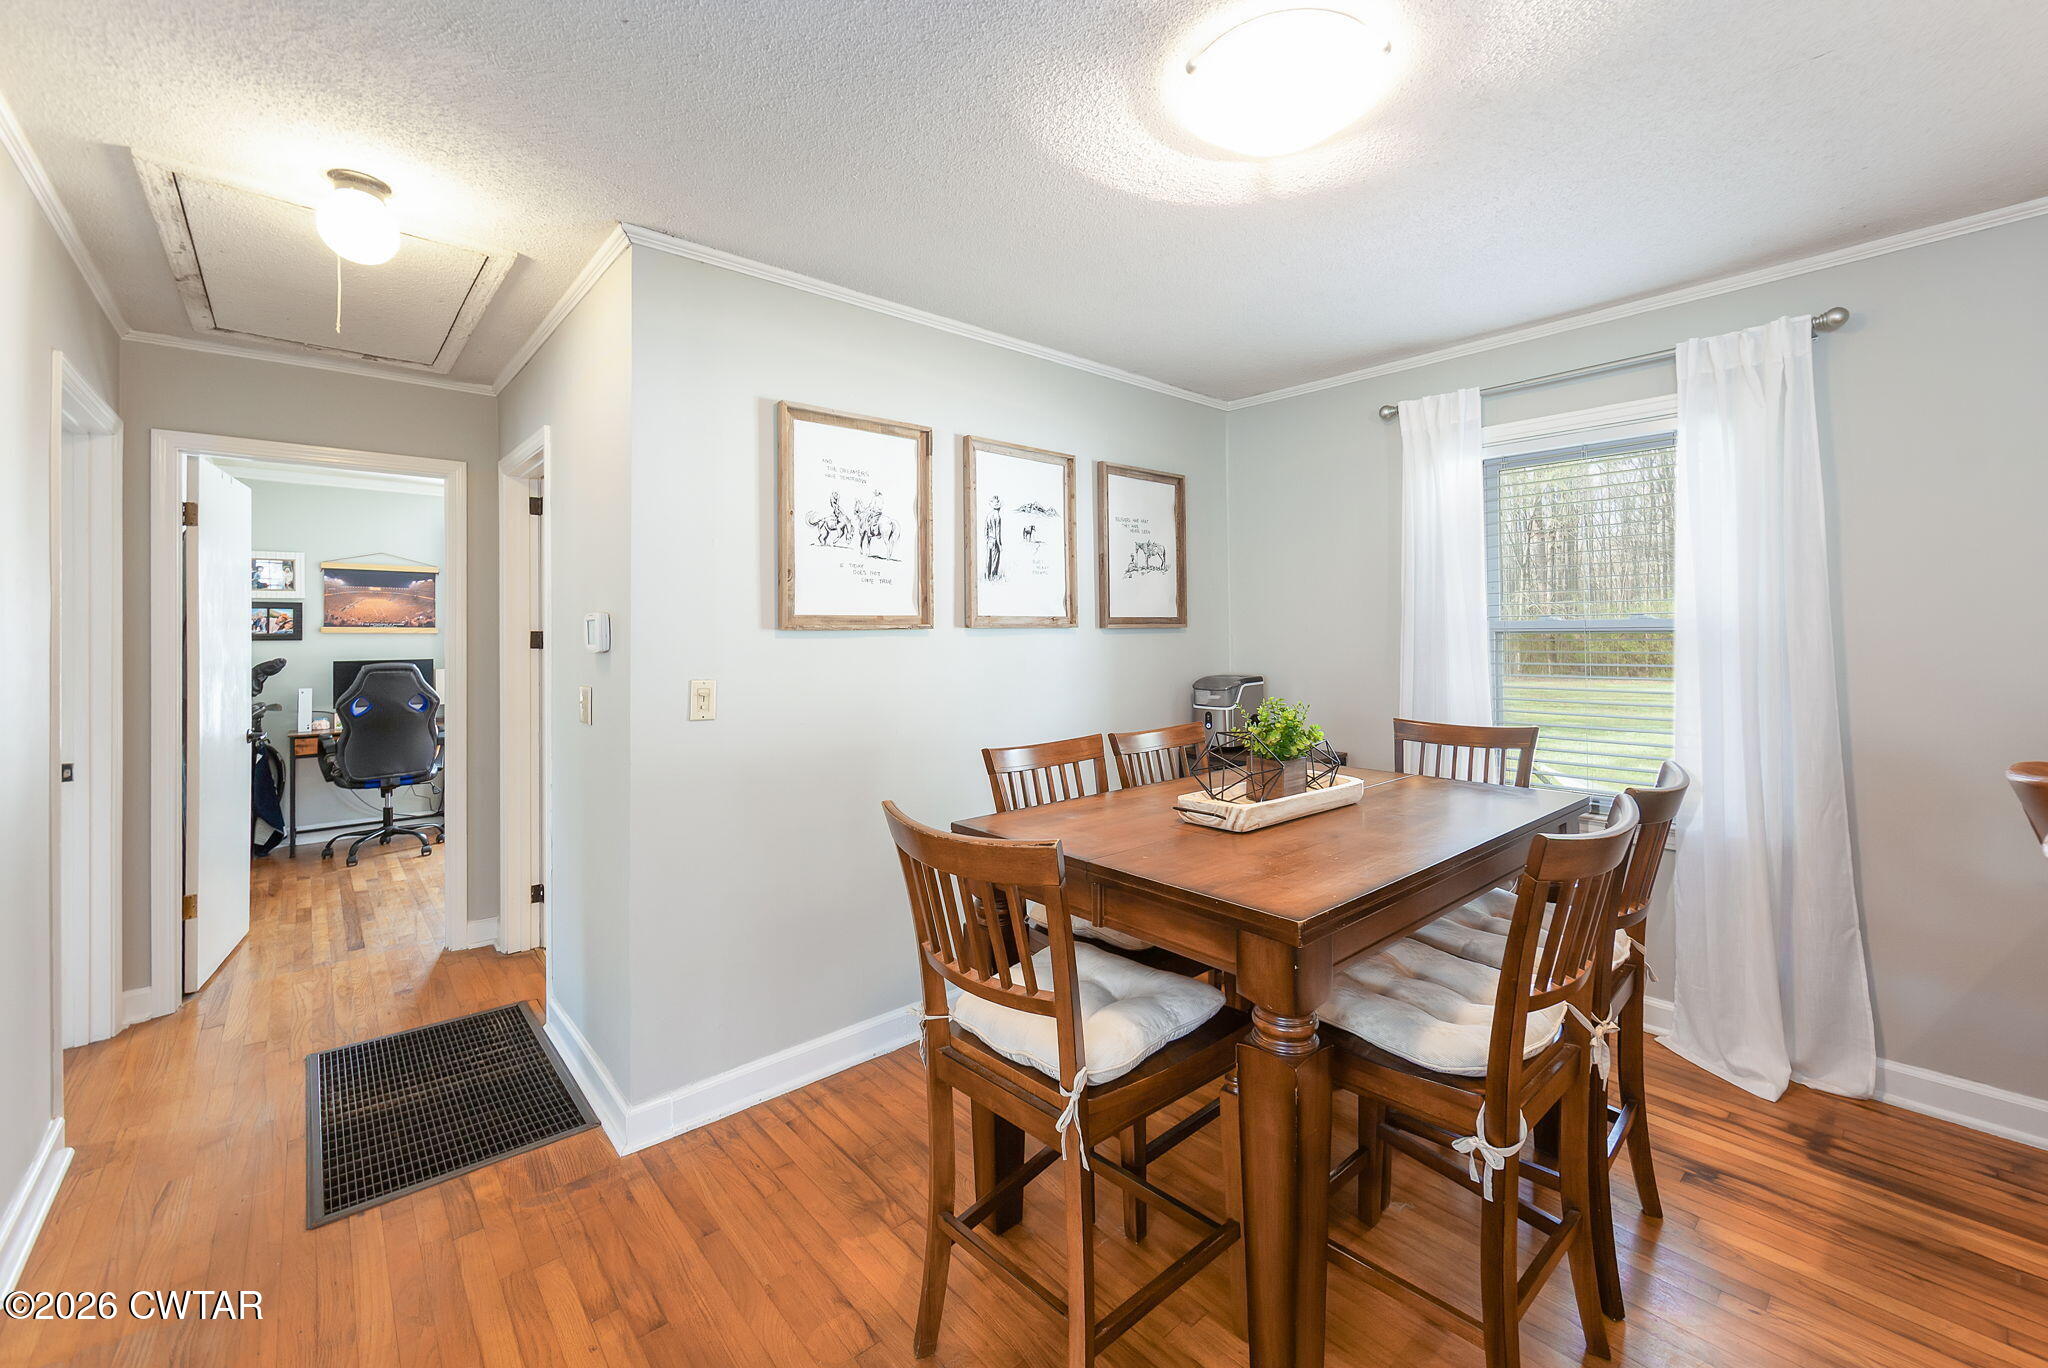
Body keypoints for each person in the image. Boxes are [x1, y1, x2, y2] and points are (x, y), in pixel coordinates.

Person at [984, 494, 1003, 579]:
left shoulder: (989, 515)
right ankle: (992, 575)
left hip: (989, 540)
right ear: (999, 507)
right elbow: (997, 532)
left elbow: (986, 530)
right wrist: (999, 544)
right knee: (995, 559)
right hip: (995, 540)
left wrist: (987, 539)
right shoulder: (997, 516)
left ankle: (987, 576)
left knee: (989, 558)